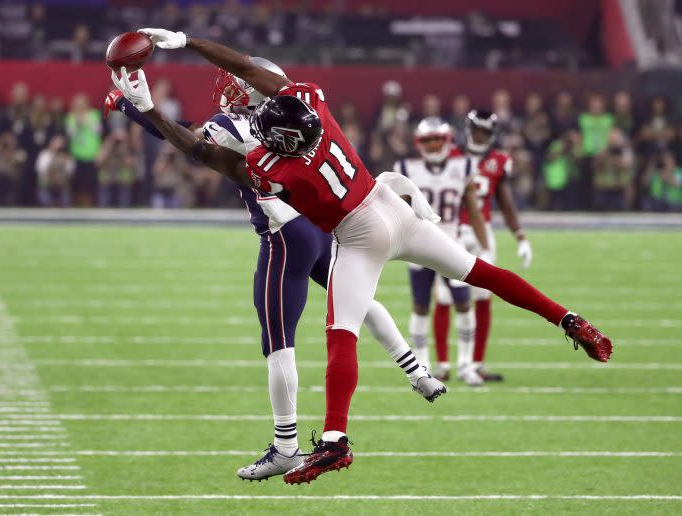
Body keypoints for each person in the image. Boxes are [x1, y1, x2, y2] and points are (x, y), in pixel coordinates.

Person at [115, 29, 612, 485]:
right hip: (393, 208)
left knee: (341, 334)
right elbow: (249, 70)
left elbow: (206, 154)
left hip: (360, 237)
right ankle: (566, 318)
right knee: (481, 272)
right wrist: (186, 41)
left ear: (278, 140)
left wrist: (147, 111)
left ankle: (334, 440)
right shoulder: (312, 101)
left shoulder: (273, 169)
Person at [106, 54, 444, 482]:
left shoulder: (228, 126)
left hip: (283, 236)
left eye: (234, 84)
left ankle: (286, 446)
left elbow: (185, 140)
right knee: (355, 302)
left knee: (278, 339)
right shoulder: (298, 111)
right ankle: (418, 374)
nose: (227, 90)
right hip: (320, 226)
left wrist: (132, 106)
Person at [433, 110, 533, 383]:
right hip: (451, 231)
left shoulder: (499, 161)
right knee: (444, 296)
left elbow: (505, 201)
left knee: (482, 297)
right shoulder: (449, 154)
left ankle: (475, 364)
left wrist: (520, 236)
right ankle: (442, 364)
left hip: (482, 234)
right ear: (468, 129)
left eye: (485, 132)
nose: (480, 137)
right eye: (477, 130)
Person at [393, 118, 490, 386]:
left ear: (447, 141)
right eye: (428, 140)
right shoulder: (406, 169)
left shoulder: (464, 166)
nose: (433, 144)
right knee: (421, 306)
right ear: (419, 143)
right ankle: (422, 366)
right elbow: (399, 212)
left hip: (452, 245)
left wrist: (485, 247)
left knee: (462, 302)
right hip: (418, 245)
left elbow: (472, 208)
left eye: (437, 139)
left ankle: (465, 365)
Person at [36, 135, 75, 207]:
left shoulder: (67, 157)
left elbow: (70, 172)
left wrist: (63, 161)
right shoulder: (44, 155)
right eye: (56, 144)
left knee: (65, 197)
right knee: (44, 196)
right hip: (47, 185)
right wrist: (54, 161)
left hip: (61, 185)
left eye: (61, 145)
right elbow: (41, 171)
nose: (58, 148)